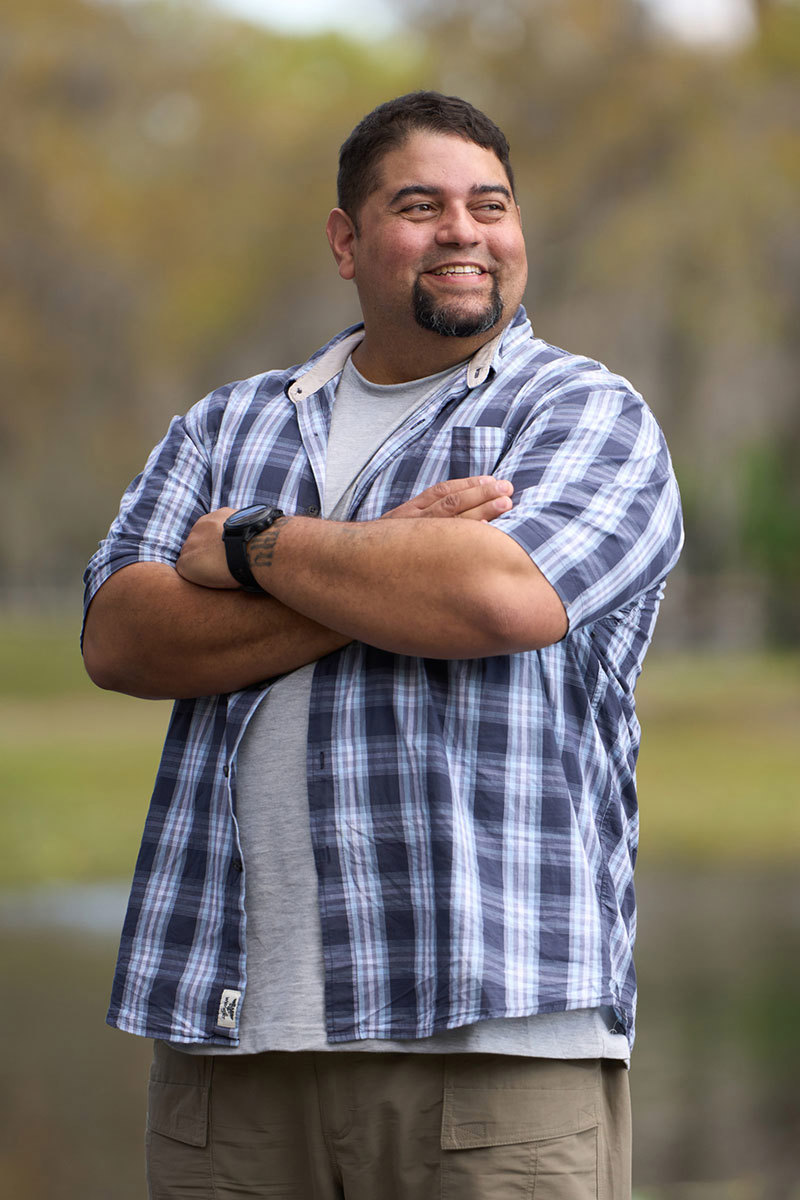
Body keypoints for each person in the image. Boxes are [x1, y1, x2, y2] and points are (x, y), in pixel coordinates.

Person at [82, 91, 683, 1199]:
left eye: (489, 205)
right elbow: (122, 634)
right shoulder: (227, 424)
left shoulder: (583, 414)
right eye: (421, 205)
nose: (464, 230)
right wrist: (388, 561)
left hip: (493, 1049)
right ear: (346, 240)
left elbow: (499, 599)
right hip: (229, 1046)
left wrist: (256, 546)